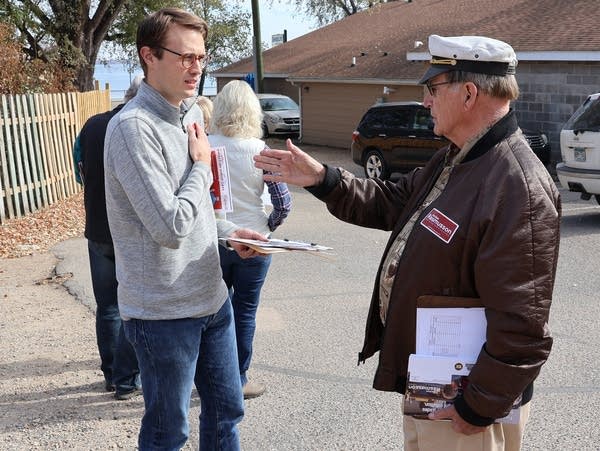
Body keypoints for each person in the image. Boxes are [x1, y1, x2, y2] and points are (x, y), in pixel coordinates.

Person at [254, 34, 561, 451]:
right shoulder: (458, 156)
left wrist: (478, 407)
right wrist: (323, 179)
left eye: (432, 89)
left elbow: (523, 327)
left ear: (469, 93)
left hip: (468, 402)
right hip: (437, 385)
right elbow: (393, 202)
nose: (426, 101)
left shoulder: (516, 184)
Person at [103, 8, 266, 450]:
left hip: (212, 300)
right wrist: (200, 167)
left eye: (201, 56)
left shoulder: (189, 115)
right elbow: (169, 226)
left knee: (228, 413)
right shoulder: (132, 129)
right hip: (162, 315)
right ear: (149, 56)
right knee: (167, 433)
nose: (196, 67)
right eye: (184, 56)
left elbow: (199, 215)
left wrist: (230, 235)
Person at [208, 80, 292, 399]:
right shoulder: (261, 151)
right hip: (256, 240)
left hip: (216, 239)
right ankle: (239, 379)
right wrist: (267, 223)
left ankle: (211, 377)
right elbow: (283, 203)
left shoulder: (205, 145)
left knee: (214, 311)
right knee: (245, 310)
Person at [72, 76, 143, 400]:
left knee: (108, 306)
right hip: (133, 233)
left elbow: (78, 170)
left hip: (98, 229)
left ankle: (112, 373)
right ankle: (130, 374)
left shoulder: (92, 126)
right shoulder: (143, 128)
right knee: (136, 305)